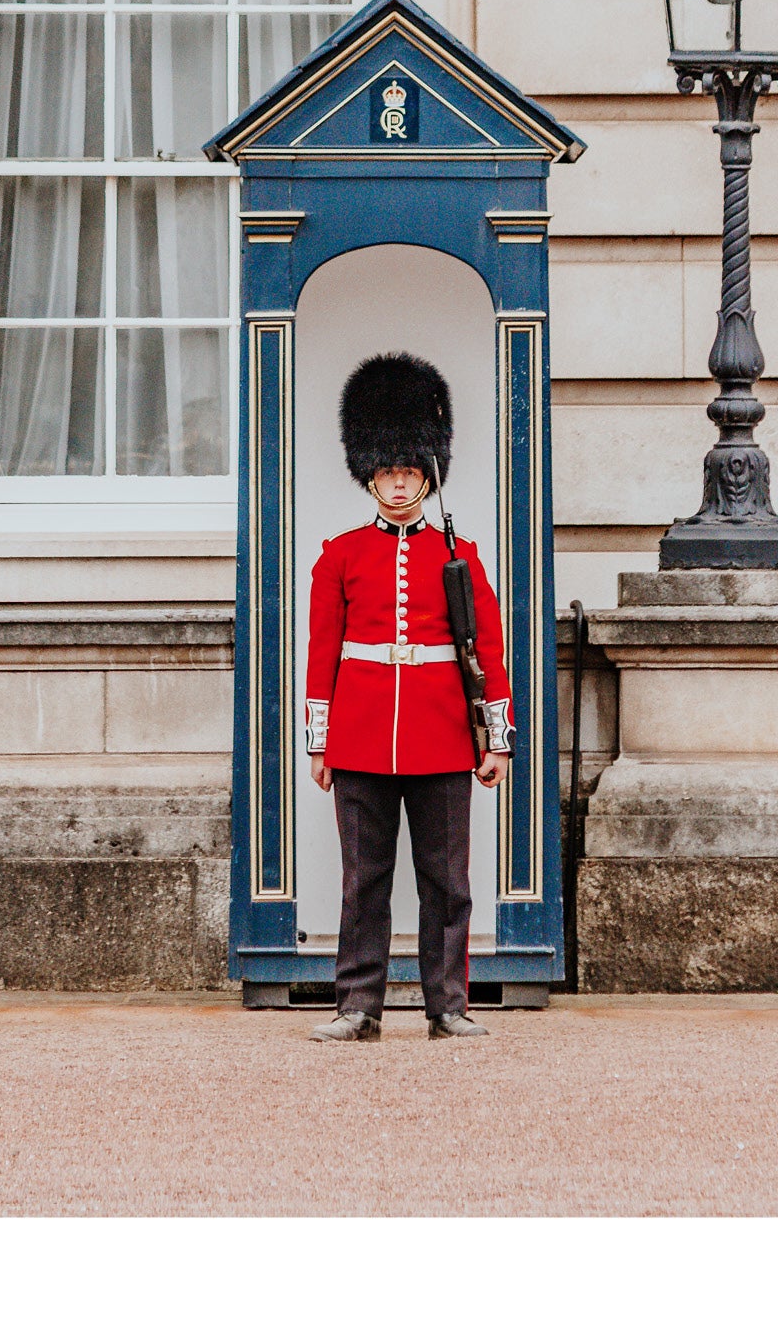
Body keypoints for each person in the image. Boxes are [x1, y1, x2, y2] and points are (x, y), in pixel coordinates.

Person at [304, 351, 513, 1041]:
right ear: (369, 474)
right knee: (363, 879)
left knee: (445, 882)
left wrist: (496, 739)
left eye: (409, 470)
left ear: (427, 474)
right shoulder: (339, 554)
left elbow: (487, 652)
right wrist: (319, 739)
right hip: (362, 735)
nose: (397, 482)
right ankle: (357, 1004)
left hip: (442, 734)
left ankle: (446, 1003)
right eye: (387, 470)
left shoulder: (461, 555)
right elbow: (322, 651)